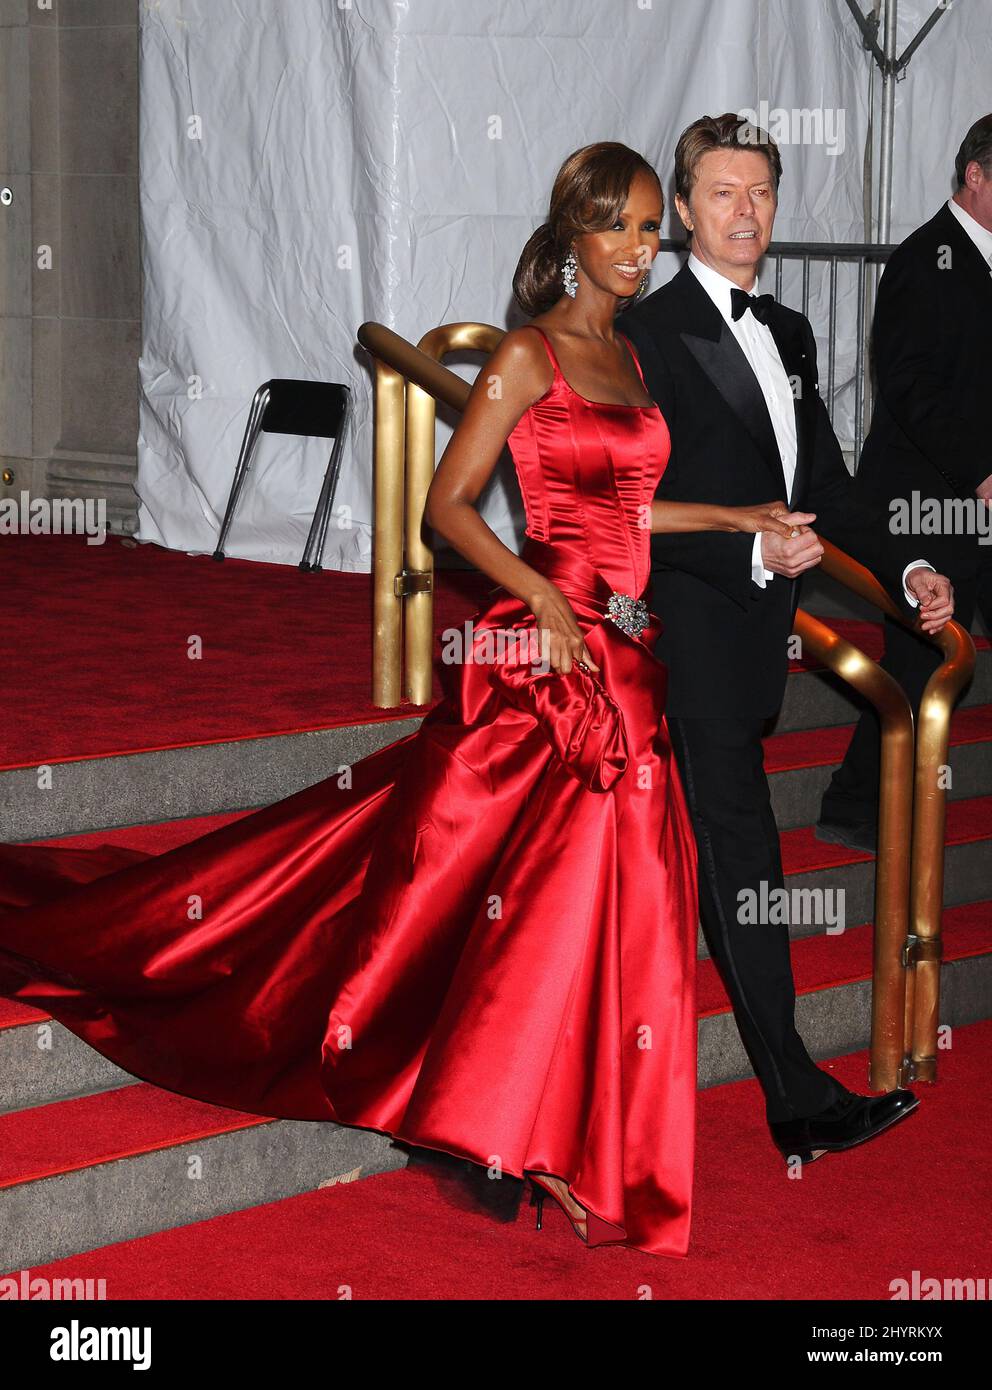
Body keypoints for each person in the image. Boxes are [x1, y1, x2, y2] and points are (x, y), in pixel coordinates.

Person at [0, 142, 800, 1259]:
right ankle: (524, 1132)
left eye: (648, 229)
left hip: (627, 654)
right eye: (616, 226)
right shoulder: (526, 356)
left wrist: (737, 519)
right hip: (551, 660)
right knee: (547, 907)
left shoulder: (628, 355)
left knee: (609, 917)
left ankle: (570, 1136)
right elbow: (449, 508)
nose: (635, 247)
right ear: (571, 234)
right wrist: (539, 597)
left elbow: (630, 511)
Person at [620, 113, 955, 1164]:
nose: (744, 213)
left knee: (718, 861)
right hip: (682, 645)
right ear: (681, 210)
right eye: (721, 193)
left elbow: (829, 489)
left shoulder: (793, 331)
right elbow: (627, 506)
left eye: (759, 192)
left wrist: (903, 571)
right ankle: (794, 1093)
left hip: (748, 647)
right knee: (741, 859)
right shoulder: (640, 334)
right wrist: (753, 556)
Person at [818, 113, 992, 852]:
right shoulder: (927, 259)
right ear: (975, 176)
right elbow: (911, 386)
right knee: (921, 659)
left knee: (930, 660)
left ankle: (872, 799)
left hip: (971, 499)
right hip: (928, 502)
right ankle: (855, 804)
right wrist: (980, 471)